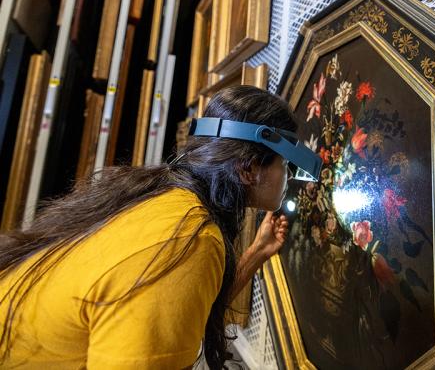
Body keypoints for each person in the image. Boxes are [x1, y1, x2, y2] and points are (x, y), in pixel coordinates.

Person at [0, 85, 319, 369]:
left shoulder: (167, 198)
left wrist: (255, 254)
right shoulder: (188, 240)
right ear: (249, 168)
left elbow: (172, 305)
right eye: (285, 163)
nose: (289, 174)